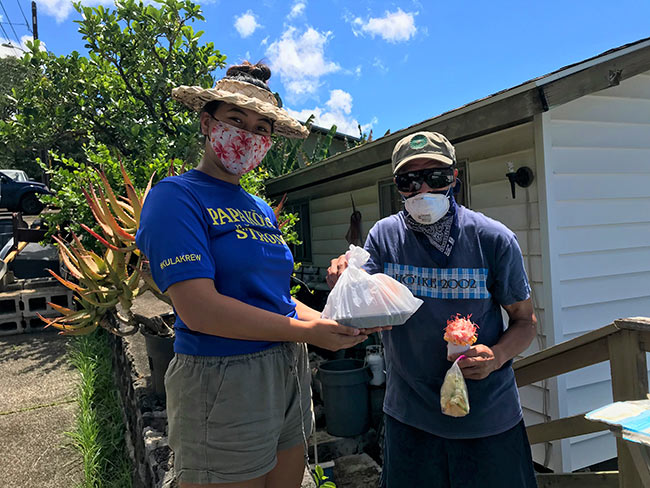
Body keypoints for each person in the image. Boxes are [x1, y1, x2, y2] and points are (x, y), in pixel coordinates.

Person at [136, 62, 385, 488]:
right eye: (236, 120)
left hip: (286, 368)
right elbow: (199, 310)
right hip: (222, 377)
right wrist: (307, 333)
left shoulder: (259, 208)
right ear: (206, 122)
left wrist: (332, 323)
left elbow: (278, 298)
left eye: (261, 127)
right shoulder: (175, 198)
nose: (248, 135)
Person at [327, 131, 538, 487]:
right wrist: (342, 275)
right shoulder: (385, 237)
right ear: (398, 187)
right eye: (409, 180)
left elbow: (524, 321)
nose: (422, 189)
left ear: (454, 178)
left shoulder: (493, 238)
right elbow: (358, 291)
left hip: (487, 417)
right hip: (411, 418)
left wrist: (498, 355)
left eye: (435, 177)